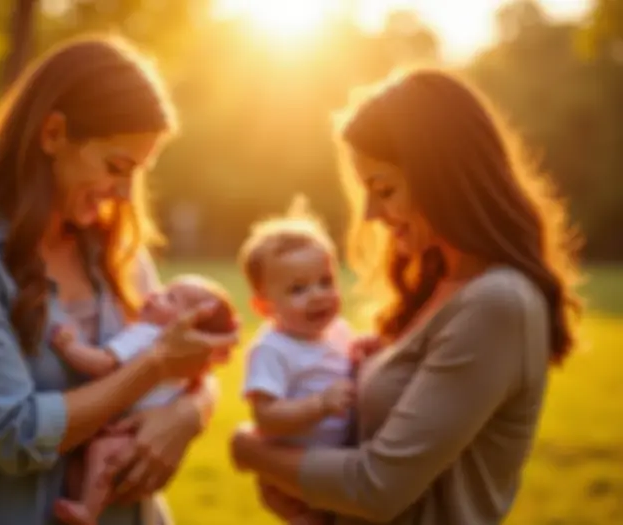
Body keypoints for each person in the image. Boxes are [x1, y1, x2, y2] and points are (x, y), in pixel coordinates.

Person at [0, 35, 238, 525]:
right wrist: (153, 367)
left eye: (136, 174)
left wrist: (189, 413)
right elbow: (16, 436)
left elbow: (187, 369)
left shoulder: (115, 251)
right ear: (53, 134)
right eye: (116, 166)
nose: (123, 193)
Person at [230, 68, 583, 525]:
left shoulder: (499, 302)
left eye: (385, 190)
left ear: (444, 179)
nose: (373, 213)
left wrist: (250, 451)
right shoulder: (439, 287)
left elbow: (377, 486)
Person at [49, 274, 237, 525]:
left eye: (170, 298)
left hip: (131, 431)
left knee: (98, 451)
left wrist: (68, 348)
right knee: (91, 458)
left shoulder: (145, 334)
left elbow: (102, 364)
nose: (153, 295)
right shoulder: (181, 351)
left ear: (189, 323)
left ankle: (88, 509)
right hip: (142, 430)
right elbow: (202, 385)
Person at [237, 198, 359, 525]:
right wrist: (319, 405)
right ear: (264, 307)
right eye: (298, 289)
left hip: (337, 466)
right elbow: (265, 417)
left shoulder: (339, 331)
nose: (318, 294)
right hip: (295, 476)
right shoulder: (272, 349)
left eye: (326, 281)